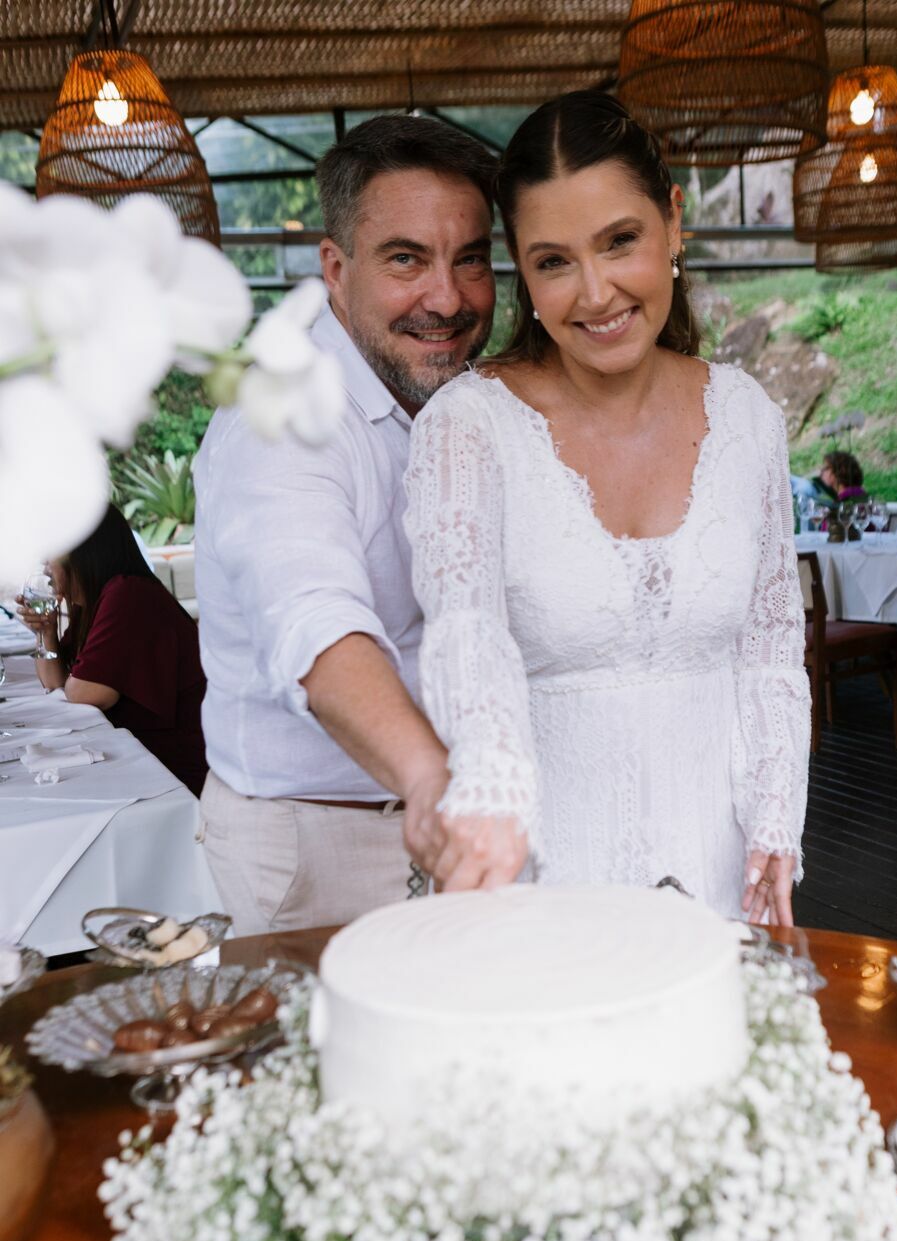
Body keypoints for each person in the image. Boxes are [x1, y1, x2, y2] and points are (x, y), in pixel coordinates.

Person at [404, 92, 809, 925]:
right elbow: (464, 637)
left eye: (619, 241)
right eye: (554, 261)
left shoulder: (747, 418)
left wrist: (775, 826)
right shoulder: (468, 426)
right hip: (538, 877)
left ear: (672, 222)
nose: (595, 293)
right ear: (521, 267)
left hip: (718, 868)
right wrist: (491, 815)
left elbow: (770, 648)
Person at [193, 115, 497, 935]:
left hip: (453, 812)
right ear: (335, 268)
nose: (448, 298)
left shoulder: (466, 402)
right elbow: (313, 620)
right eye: (406, 259)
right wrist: (433, 779)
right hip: (316, 844)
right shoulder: (283, 413)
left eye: (470, 258)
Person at [16, 506, 208, 793]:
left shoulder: (128, 594)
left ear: (82, 550)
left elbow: (87, 694)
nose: (44, 564)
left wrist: (73, 682)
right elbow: (55, 683)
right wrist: (45, 632)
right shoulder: (96, 601)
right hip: (139, 756)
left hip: (175, 772)